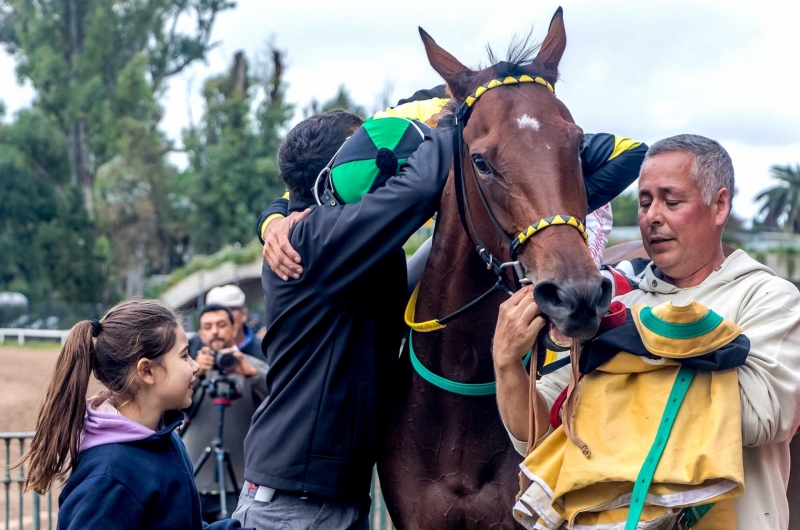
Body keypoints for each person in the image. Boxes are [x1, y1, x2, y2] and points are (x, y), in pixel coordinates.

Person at [493, 134, 800, 529]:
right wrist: (506, 363)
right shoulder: (624, 305)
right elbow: (543, 434)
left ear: (720, 205)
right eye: (644, 202)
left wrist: (632, 352)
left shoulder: (768, 297)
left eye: (671, 202)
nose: (652, 215)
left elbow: (761, 416)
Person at [232, 107, 453, 529]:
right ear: (339, 169)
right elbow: (418, 188)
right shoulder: (312, 236)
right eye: (362, 145)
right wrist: (450, 128)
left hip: (332, 499)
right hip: (293, 506)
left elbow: (399, 285)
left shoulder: (336, 238)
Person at [14, 299, 248, 530]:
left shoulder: (163, 436)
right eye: (184, 355)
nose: (195, 365)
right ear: (146, 371)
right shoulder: (109, 477)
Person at [183, 304, 268, 522]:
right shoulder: (187, 370)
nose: (215, 332)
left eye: (221, 325)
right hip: (193, 480)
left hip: (240, 483)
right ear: (200, 333)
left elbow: (282, 398)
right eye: (208, 327)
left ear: (234, 328)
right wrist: (196, 374)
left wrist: (252, 373)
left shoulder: (251, 366)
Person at [206, 285, 263, 358]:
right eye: (216, 312)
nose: (223, 316)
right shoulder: (196, 348)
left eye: (230, 310)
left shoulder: (263, 350)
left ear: (243, 314)